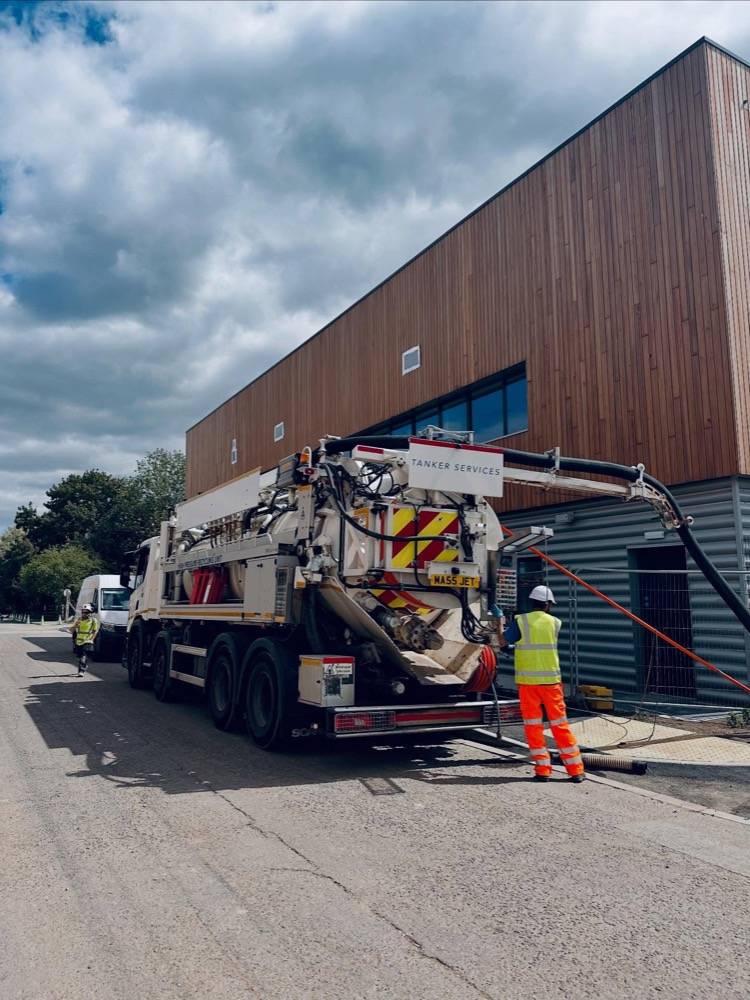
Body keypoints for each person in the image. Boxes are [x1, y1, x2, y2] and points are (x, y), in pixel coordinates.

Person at [498, 585, 585, 783]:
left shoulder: (521, 621)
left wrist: (499, 621)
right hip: (551, 683)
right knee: (560, 726)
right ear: (548, 605)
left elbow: (504, 642)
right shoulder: (555, 622)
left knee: (533, 727)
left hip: (528, 684)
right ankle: (575, 771)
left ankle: (543, 770)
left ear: (532, 602)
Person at [69, 603, 100, 676]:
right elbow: (71, 630)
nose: (84, 614)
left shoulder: (93, 621)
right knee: (80, 657)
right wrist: (76, 625)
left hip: (87, 641)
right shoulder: (79, 620)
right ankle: (84, 666)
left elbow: (95, 631)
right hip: (79, 641)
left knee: (83, 655)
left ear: (90, 613)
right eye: (83, 612)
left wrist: (92, 639)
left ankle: (81, 671)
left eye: (86, 612)